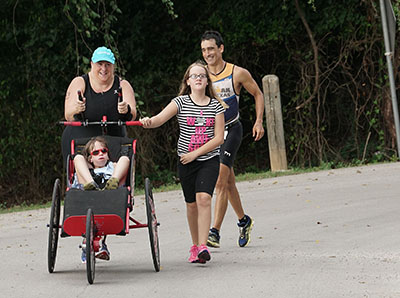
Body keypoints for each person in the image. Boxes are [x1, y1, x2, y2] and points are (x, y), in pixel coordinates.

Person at [140, 61, 226, 264]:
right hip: (185, 161)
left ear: (207, 81)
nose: (198, 78)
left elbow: (219, 138)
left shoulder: (216, 106)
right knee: (191, 205)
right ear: (187, 81)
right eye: (194, 76)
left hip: (208, 159)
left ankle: (204, 246)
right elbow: (159, 119)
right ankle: (195, 246)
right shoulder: (180, 102)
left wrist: (195, 153)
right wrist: (147, 121)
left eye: (202, 76)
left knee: (204, 198)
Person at [200, 30, 265, 248]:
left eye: (211, 48)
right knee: (228, 182)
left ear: (221, 48)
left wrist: (258, 122)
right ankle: (243, 220)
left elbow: (258, 93)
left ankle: (214, 232)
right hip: (211, 134)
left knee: (220, 179)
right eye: (204, 50)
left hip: (232, 130)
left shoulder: (237, 73)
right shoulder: (201, 75)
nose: (207, 53)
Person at [61, 46, 137, 164]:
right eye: (99, 64)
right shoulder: (80, 82)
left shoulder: (123, 85)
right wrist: (77, 108)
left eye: (108, 65)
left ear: (113, 66)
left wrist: (125, 109)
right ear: (92, 64)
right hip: (81, 141)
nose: (104, 69)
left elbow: (132, 115)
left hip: (113, 142)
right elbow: (68, 115)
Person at [73, 136, 130, 262]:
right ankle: (90, 183)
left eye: (104, 151)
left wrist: (115, 176)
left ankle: (113, 181)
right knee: (77, 158)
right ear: (90, 158)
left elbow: (124, 162)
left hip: (110, 193)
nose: (101, 154)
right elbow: (79, 162)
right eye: (96, 152)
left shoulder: (113, 166)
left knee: (125, 159)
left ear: (108, 155)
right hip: (87, 193)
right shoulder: (85, 169)